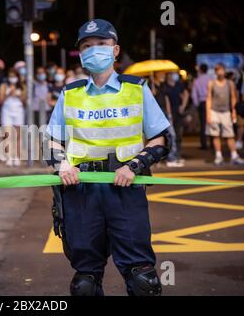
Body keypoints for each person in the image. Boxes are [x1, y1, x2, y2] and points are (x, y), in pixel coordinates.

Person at [45, 19, 171, 296]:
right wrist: (62, 163)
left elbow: (160, 139)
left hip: (124, 188)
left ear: (115, 50)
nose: (94, 50)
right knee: (85, 283)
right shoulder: (70, 93)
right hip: (81, 191)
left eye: (101, 44)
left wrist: (135, 166)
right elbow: (50, 140)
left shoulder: (136, 89)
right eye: (87, 46)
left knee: (143, 280)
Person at [206, 63, 244, 165]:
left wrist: (234, 112)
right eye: (217, 70)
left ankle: (234, 155)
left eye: (221, 70)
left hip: (226, 111)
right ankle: (218, 156)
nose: (220, 72)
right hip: (214, 111)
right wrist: (208, 114)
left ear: (224, 70)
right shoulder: (211, 83)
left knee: (230, 134)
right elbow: (209, 98)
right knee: (215, 135)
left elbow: (233, 98)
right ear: (215, 72)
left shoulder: (230, 83)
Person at [152, 71, 181, 167]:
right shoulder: (150, 85)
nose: (163, 76)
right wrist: (152, 86)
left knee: (172, 135)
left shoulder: (163, 86)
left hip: (165, 113)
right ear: (156, 74)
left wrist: (169, 114)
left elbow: (166, 99)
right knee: (157, 137)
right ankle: (156, 161)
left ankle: (171, 158)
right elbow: (150, 98)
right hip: (155, 114)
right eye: (161, 74)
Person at [0, 68, 27, 167]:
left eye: (14, 76)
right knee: (7, 135)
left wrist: (18, 95)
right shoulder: (4, 86)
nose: (12, 78)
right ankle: (9, 157)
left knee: (17, 136)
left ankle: (17, 157)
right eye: (10, 76)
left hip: (18, 111)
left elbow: (25, 101)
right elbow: (1, 100)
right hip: (7, 111)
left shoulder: (22, 86)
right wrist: (8, 93)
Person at [165, 71, 189, 162]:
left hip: (178, 113)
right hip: (168, 113)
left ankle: (177, 154)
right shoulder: (165, 86)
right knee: (170, 135)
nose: (175, 75)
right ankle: (170, 155)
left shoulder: (179, 85)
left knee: (178, 134)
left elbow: (186, 94)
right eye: (173, 74)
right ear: (169, 75)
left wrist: (183, 106)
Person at [191, 64, 210, 150]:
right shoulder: (211, 79)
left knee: (203, 124)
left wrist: (197, 104)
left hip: (202, 103)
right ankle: (214, 144)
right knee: (212, 123)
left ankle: (204, 144)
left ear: (201, 70)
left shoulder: (197, 80)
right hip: (211, 102)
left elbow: (194, 94)